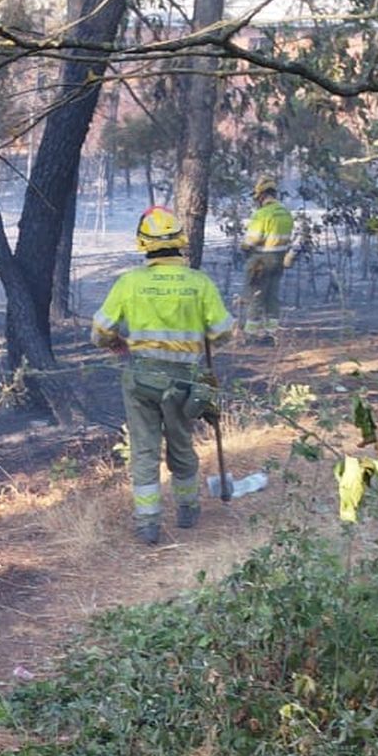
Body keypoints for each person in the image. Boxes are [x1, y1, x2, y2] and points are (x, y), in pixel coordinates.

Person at [91, 205, 232, 546]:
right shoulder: (198, 283)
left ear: (143, 244)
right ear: (180, 241)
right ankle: (187, 509)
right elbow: (223, 332)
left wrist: (116, 343)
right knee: (182, 445)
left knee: (144, 450)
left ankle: (148, 523)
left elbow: (98, 332)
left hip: (141, 380)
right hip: (185, 383)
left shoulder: (130, 283)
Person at [240, 177, 295, 337]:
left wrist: (244, 247)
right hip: (279, 258)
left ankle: (251, 333)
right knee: (272, 294)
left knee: (256, 294)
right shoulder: (285, 212)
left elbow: (253, 239)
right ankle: (272, 331)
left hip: (261, 259)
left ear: (261, 195)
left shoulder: (262, 214)